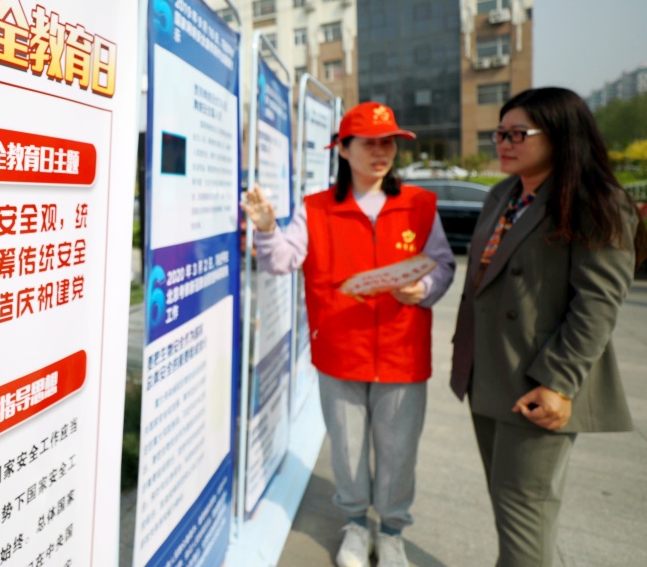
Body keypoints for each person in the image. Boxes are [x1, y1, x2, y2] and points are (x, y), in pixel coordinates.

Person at [241, 102, 456, 567]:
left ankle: (392, 532)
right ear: (343, 149)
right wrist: (267, 229)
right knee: (348, 448)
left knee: (398, 452)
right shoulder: (315, 209)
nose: (381, 152)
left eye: (388, 142)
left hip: (402, 352)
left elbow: (442, 264)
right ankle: (356, 526)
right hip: (339, 350)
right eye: (369, 143)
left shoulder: (419, 204)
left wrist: (424, 289)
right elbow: (282, 260)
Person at [450, 87, 646, 567]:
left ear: (562, 135)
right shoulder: (504, 194)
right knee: (511, 506)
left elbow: (598, 303)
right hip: (487, 372)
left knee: (525, 513)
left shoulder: (594, 200)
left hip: (537, 381)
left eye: (517, 133)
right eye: (499, 133)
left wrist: (559, 382)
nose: (503, 142)